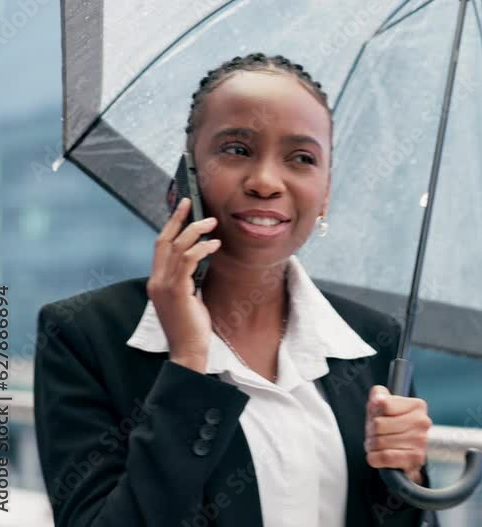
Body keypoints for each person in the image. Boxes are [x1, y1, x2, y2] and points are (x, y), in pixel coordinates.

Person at [34, 52, 438, 527]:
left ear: (325, 192)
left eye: (302, 159)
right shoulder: (84, 336)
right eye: (237, 149)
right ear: (187, 174)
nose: (266, 182)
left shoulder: (375, 343)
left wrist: (407, 475)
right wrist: (187, 362)